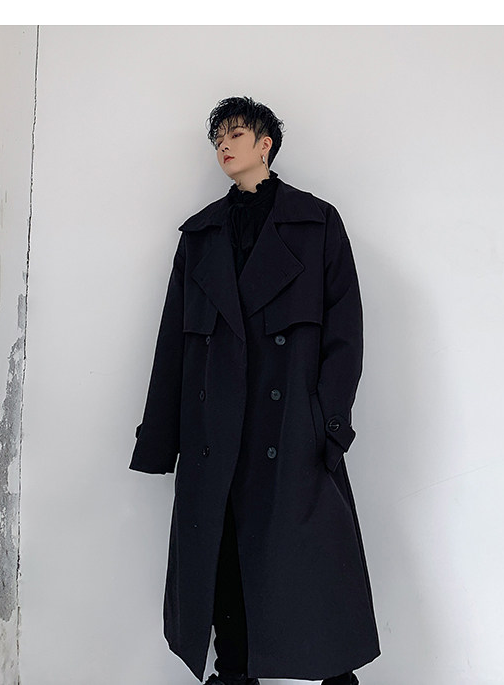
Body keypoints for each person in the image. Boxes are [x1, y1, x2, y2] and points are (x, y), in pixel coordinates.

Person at [130, 96, 380, 685]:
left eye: (236, 133)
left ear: (266, 144)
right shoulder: (200, 236)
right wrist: (161, 440)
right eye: (218, 136)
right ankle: (235, 675)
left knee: (313, 563)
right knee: (225, 566)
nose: (224, 144)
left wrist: (327, 424)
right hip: (217, 438)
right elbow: (173, 345)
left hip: (291, 432)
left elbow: (345, 333)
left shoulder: (317, 224)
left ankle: (335, 677)